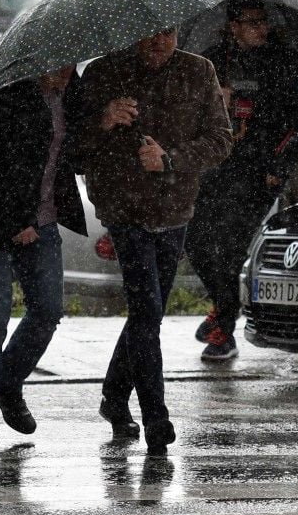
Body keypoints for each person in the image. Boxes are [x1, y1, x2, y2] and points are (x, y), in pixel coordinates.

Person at [77, 27, 232, 454]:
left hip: (175, 210)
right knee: (147, 312)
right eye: (147, 35)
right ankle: (156, 418)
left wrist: (171, 159)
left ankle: (113, 396)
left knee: (149, 313)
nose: (158, 43)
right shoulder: (103, 74)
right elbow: (75, 149)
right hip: (124, 211)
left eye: (167, 34)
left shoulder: (199, 71)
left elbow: (221, 141)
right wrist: (104, 120)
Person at [0, 65, 86, 449]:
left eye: (69, 63)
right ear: (34, 60)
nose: (62, 72)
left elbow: (73, 158)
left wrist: (106, 121)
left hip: (41, 220)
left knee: (47, 310)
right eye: (54, 64)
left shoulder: (70, 95)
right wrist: (16, 219)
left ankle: (7, 386)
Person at [186, 0, 298, 361]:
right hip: (214, 168)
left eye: (264, 22)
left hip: (258, 173)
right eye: (251, 22)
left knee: (229, 247)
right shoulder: (212, 61)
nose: (261, 28)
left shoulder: (287, 62)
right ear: (233, 26)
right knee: (195, 241)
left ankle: (224, 330)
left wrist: (278, 165)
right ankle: (222, 303)